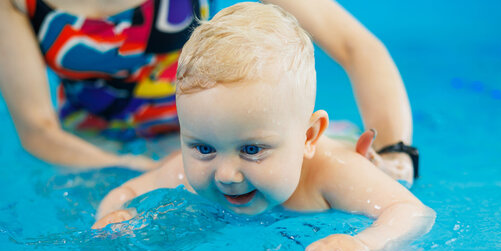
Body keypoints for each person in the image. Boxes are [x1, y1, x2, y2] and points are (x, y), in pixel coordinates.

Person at [93, 3, 435, 251]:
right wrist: (114, 215)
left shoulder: (332, 171)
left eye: (252, 150)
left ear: (308, 136)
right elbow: (127, 191)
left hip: (344, 142)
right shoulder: (191, 171)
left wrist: (365, 245)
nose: (226, 174)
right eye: (203, 147)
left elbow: (412, 213)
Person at [0, 0, 416, 182]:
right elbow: (38, 129)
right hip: (89, 148)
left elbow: (355, 46)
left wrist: (397, 151)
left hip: (211, 136)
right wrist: (132, 168)